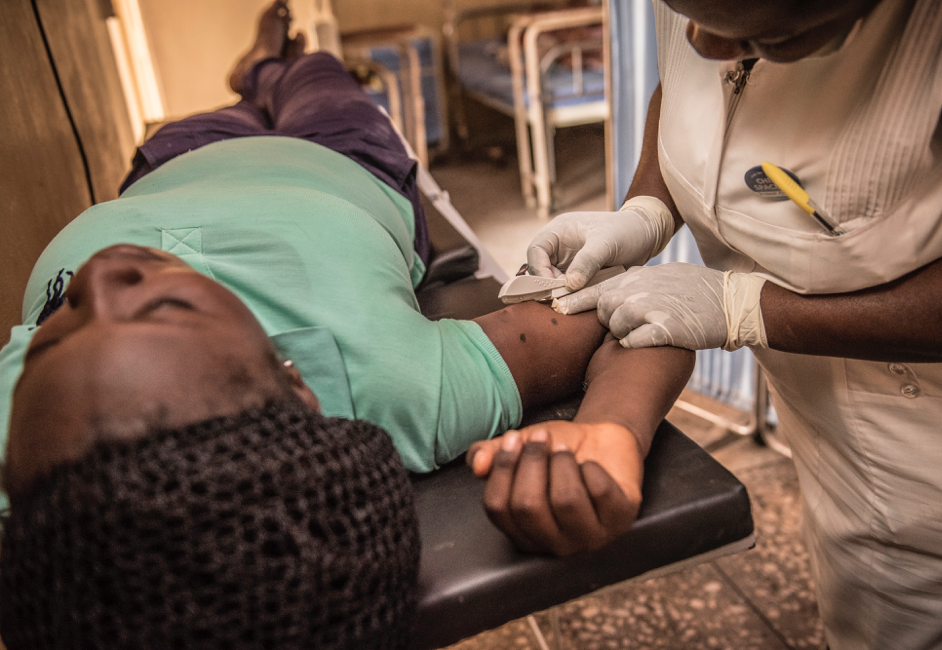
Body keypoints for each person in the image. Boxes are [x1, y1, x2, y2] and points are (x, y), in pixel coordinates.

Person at [0, 2, 694, 645]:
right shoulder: (392, 383)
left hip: (168, 163)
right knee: (318, 77)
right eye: (163, 307)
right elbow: (629, 314)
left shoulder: (33, 486)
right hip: (343, 158)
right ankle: (274, 68)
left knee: (227, 106)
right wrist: (611, 431)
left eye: (53, 330)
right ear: (296, 386)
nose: (97, 275)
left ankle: (255, 76)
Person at [525, 0, 942, 648]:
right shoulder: (704, 26)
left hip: (940, 479)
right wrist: (646, 207)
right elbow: (681, 90)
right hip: (829, 437)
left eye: (757, 30)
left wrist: (749, 309)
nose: (701, 45)